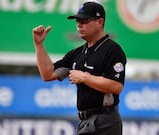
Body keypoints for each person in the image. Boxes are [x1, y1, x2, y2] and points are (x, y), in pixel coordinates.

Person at [32, 1, 126, 135]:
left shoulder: (112, 50)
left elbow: (117, 86)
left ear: (100, 22)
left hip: (105, 121)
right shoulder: (77, 53)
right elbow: (48, 74)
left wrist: (84, 77)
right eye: (77, 21)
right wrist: (39, 45)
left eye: (85, 20)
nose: (79, 25)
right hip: (84, 121)